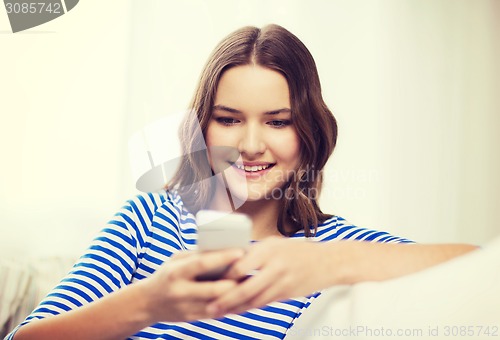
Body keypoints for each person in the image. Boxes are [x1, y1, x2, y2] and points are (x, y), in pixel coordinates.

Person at [8, 24, 477, 340]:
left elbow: (478, 269)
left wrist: (330, 261)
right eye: (229, 119)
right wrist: (151, 303)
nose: (251, 145)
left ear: (309, 131)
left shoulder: (329, 249)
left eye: (277, 122)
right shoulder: (149, 220)